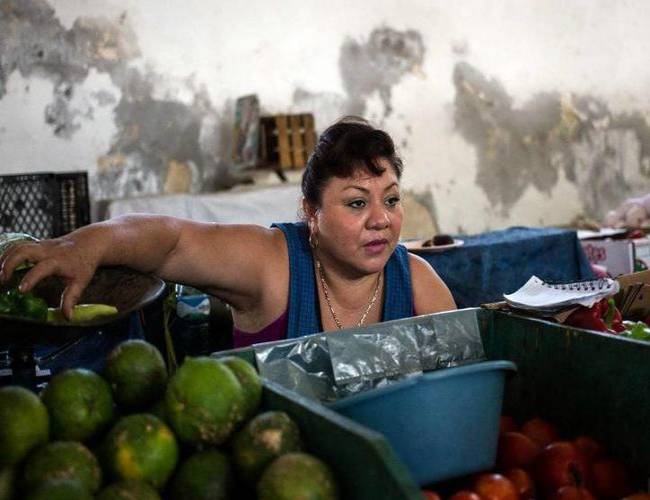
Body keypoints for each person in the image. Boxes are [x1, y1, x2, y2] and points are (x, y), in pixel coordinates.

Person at [0, 117, 456, 347]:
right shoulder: (272, 263)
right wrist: (83, 245)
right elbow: (172, 238)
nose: (382, 219)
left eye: (391, 199)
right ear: (311, 213)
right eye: (357, 202)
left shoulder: (420, 288)